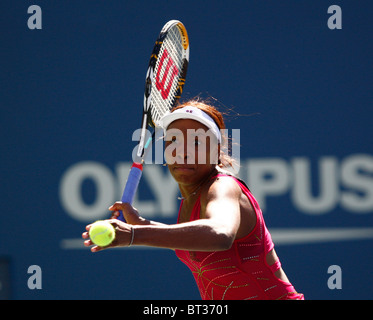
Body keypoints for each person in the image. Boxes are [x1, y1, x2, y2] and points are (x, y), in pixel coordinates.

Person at [82, 100, 304, 300]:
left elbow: (219, 234)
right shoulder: (194, 196)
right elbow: (196, 240)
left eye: (196, 143)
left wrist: (133, 235)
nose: (182, 152)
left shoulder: (223, 187)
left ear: (217, 150)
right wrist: (142, 225)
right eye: (173, 141)